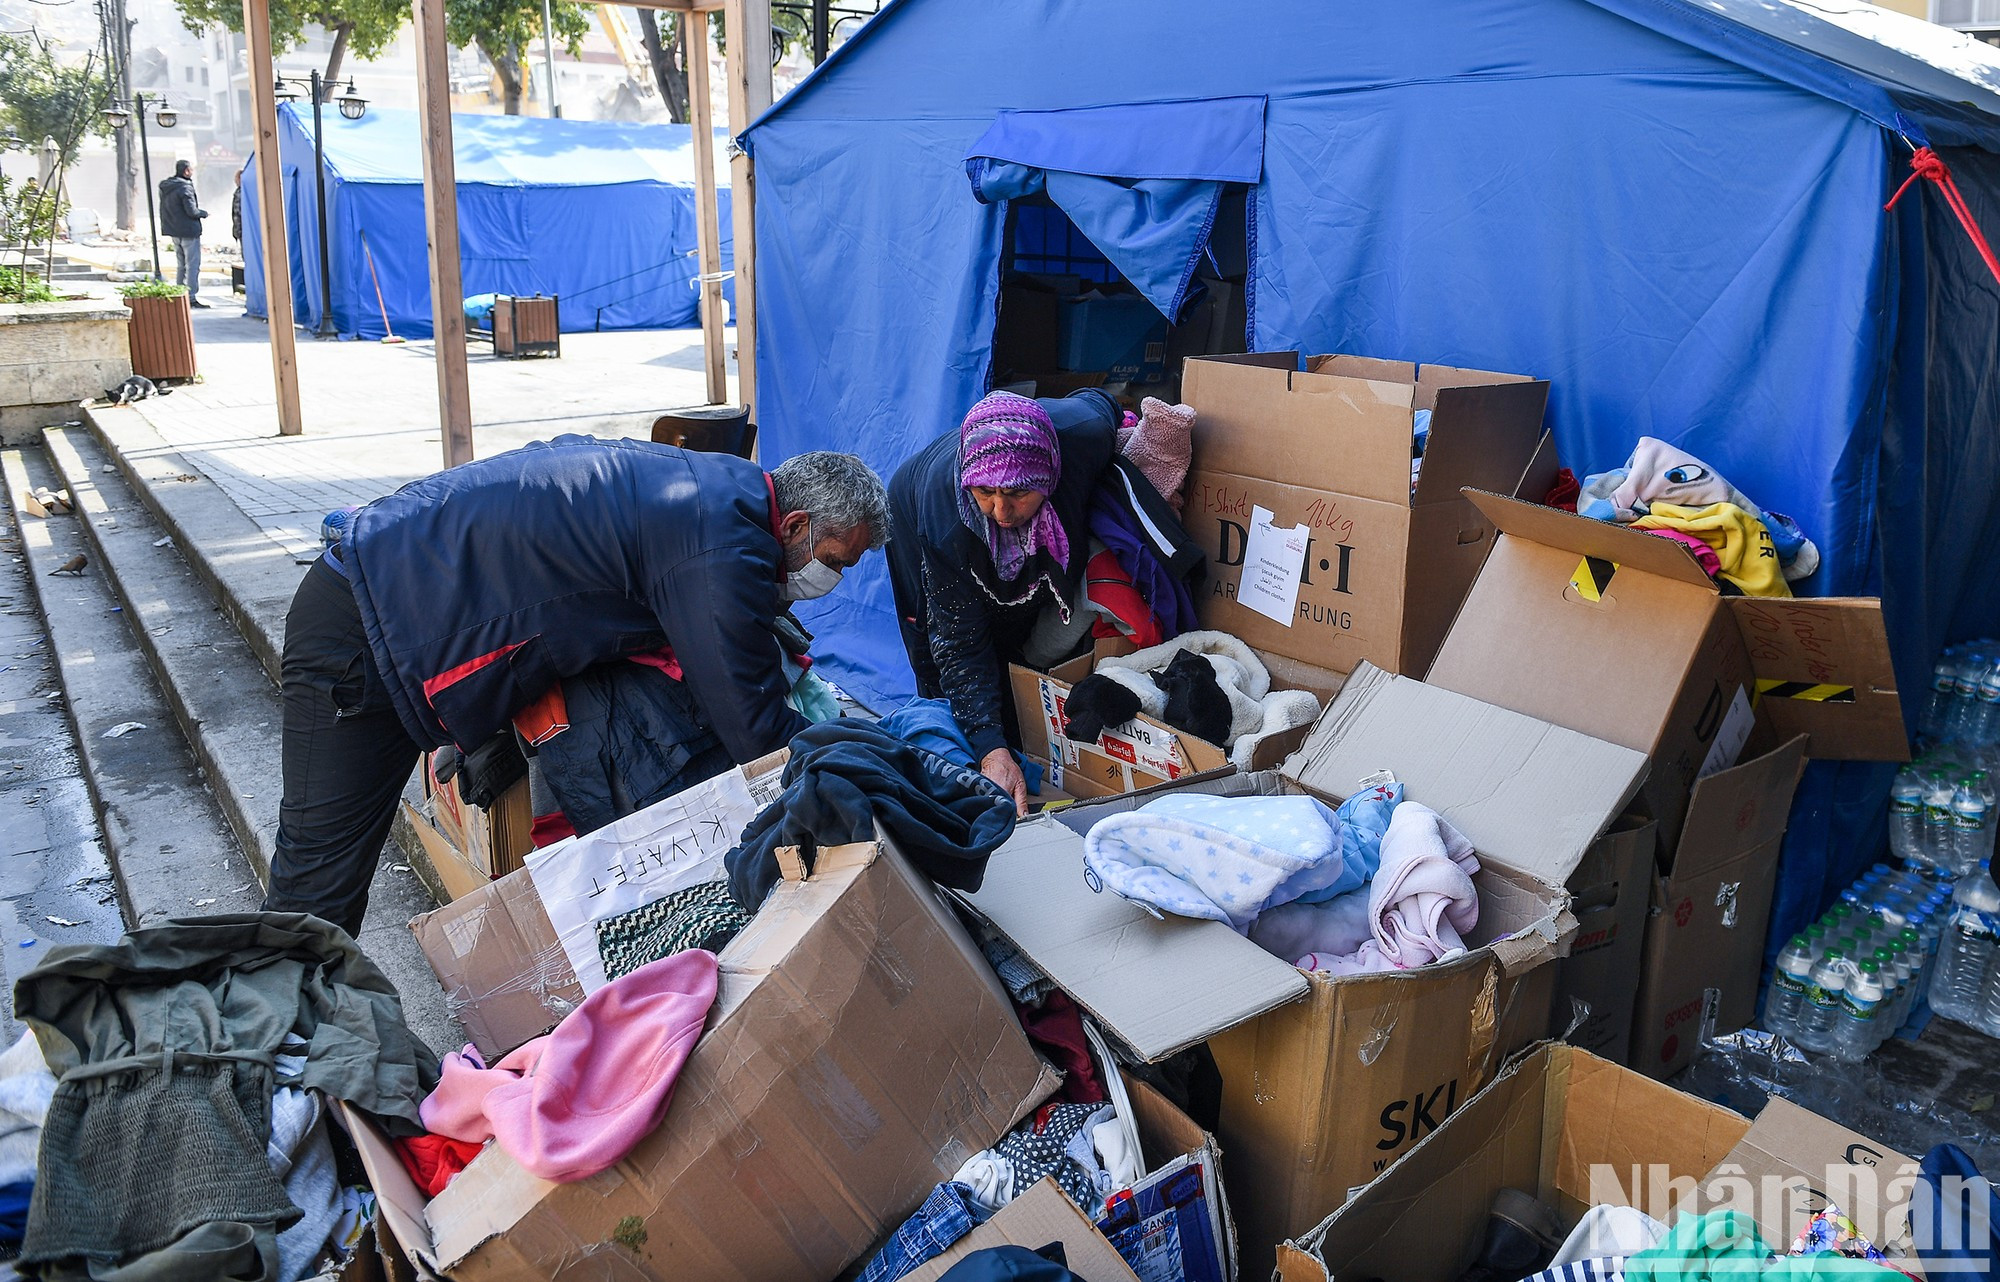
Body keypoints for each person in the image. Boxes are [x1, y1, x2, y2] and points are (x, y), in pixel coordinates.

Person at [261, 437, 888, 937]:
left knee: (323, 880)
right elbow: (754, 724)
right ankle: (275, 1046)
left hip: (386, 610)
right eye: (834, 561)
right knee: (318, 884)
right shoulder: (720, 540)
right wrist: (868, 763)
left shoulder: (713, 491)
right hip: (365, 630)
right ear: (795, 525)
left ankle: (299, 1030)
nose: (830, 577)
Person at [887, 390, 1198, 814]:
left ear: (1048, 475)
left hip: (1045, 454)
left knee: (1013, 634)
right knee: (937, 649)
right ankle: (963, 757)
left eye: (1018, 492)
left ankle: (1016, 732)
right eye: (985, 491)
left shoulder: (1083, 434)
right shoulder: (945, 522)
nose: (1001, 511)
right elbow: (958, 641)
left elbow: (1103, 401)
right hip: (913, 508)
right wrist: (989, 747)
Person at [159, 159, 208, 308]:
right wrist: (203, 213)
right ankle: (191, 297)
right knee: (192, 265)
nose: (192, 172)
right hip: (189, 231)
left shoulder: (166, 187)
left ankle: (179, 294)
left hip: (174, 231)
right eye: (191, 169)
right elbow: (191, 211)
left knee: (181, 265)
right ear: (186, 171)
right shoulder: (185, 187)